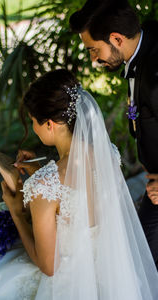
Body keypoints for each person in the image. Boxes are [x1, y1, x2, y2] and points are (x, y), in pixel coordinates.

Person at [0, 69, 158, 300]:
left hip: (72, 283)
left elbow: (49, 267)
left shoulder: (44, 184)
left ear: (50, 124)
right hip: (109, 271)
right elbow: (78, 189)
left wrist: (16, 213)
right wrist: (41, 172)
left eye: (34, 121)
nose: (34, 127)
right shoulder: (108, 156)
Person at [70, 0, 158, 269]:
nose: (93, 60)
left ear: (116, 38)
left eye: (94, 50)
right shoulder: (143, 50)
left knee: (142, 266)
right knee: (142, 260)